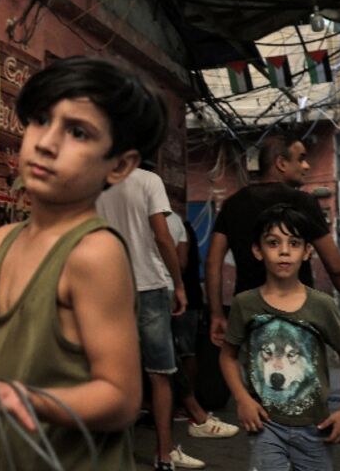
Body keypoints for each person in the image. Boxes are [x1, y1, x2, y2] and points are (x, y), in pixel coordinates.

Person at [0, 56, 165, 470]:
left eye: (78, 132)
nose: (46, 142)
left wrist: (12, 397)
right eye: (41, 120)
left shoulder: (93, 253)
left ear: (119, 165)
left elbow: (121, 398)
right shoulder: (3, 242)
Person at [219, 204, 340, 471]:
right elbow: (227, 356)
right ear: (257, 250)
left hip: (315, 427)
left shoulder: (322, 305)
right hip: (265, 425)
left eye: (294, 243)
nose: (284, 251)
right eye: (273, 243)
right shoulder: (245, 304)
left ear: (307, 251)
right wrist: (243, 398)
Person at [206, 134, 340, 348]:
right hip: (297, 312)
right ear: (281, 163)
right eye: (301, 158)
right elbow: (336, 267)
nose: (307, 165)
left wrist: (217, 314)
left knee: (255, 375)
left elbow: (212, 263)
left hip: (248, 314)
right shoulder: (304, 203)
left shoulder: (233, 204)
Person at [96, 164, 204, 470]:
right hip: (149, 288)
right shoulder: (148, 181)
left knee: (114, 374)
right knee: (160, 375)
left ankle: (116, 455)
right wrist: (179, 285)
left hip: (108, 289)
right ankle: (164, 454)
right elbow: (162, 236)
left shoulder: (94, 182)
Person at [167, 212, 240, 464]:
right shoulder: (176, 222)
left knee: (177, 355)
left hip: (179, 299)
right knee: (173, 356)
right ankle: (190, 413)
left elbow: (185, 261)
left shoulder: (175, 222)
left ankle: (190, 410)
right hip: (179, 298)